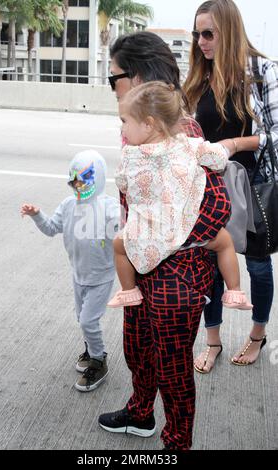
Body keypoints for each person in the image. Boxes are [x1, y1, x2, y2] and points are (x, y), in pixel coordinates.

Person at [97, 31, 230, 451]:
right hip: (142, 264)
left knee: (172, 368)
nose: (112, 83)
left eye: (113, 75)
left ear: (135, 77)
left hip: (176, 275)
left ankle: (177, 443)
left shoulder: (179, 130)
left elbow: (216, 207)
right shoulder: (138, 129)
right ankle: (140, 412)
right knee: (137, 349)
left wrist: (164, 242)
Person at [183, 0, 277, 372]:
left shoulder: (263, 71)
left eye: (208, 33)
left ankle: (257, 336)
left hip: (253, 183)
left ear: (229, 31)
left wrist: (237, 144)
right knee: (209, 265)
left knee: (257, 266)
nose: (201, 42)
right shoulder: (200, 75)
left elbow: (275, 134)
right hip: (209, 185)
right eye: (197, 34)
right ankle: (214, 341)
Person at [107, 81, 252, 313]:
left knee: (118, 245)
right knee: (224, 242)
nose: (122, 128)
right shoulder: (189, 145)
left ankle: (128, 291)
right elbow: (218, 159)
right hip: (186, 229)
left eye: (124, 121)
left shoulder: (129, 156)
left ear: (148, 124)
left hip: (147, 235)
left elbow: (123, 184)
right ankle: (234, 291)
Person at [21, 150, 119, 391]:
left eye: (85, 180)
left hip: (101, 276)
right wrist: (37, 215)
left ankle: (99, 359)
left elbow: (122, 230)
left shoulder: (108, 206)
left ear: (98, 179)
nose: (80, 186)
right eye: (75, 180)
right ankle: (91, 349)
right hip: (79, 275)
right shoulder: (67, 205)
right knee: (82, 319)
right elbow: (52, 228)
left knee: (88, 320)